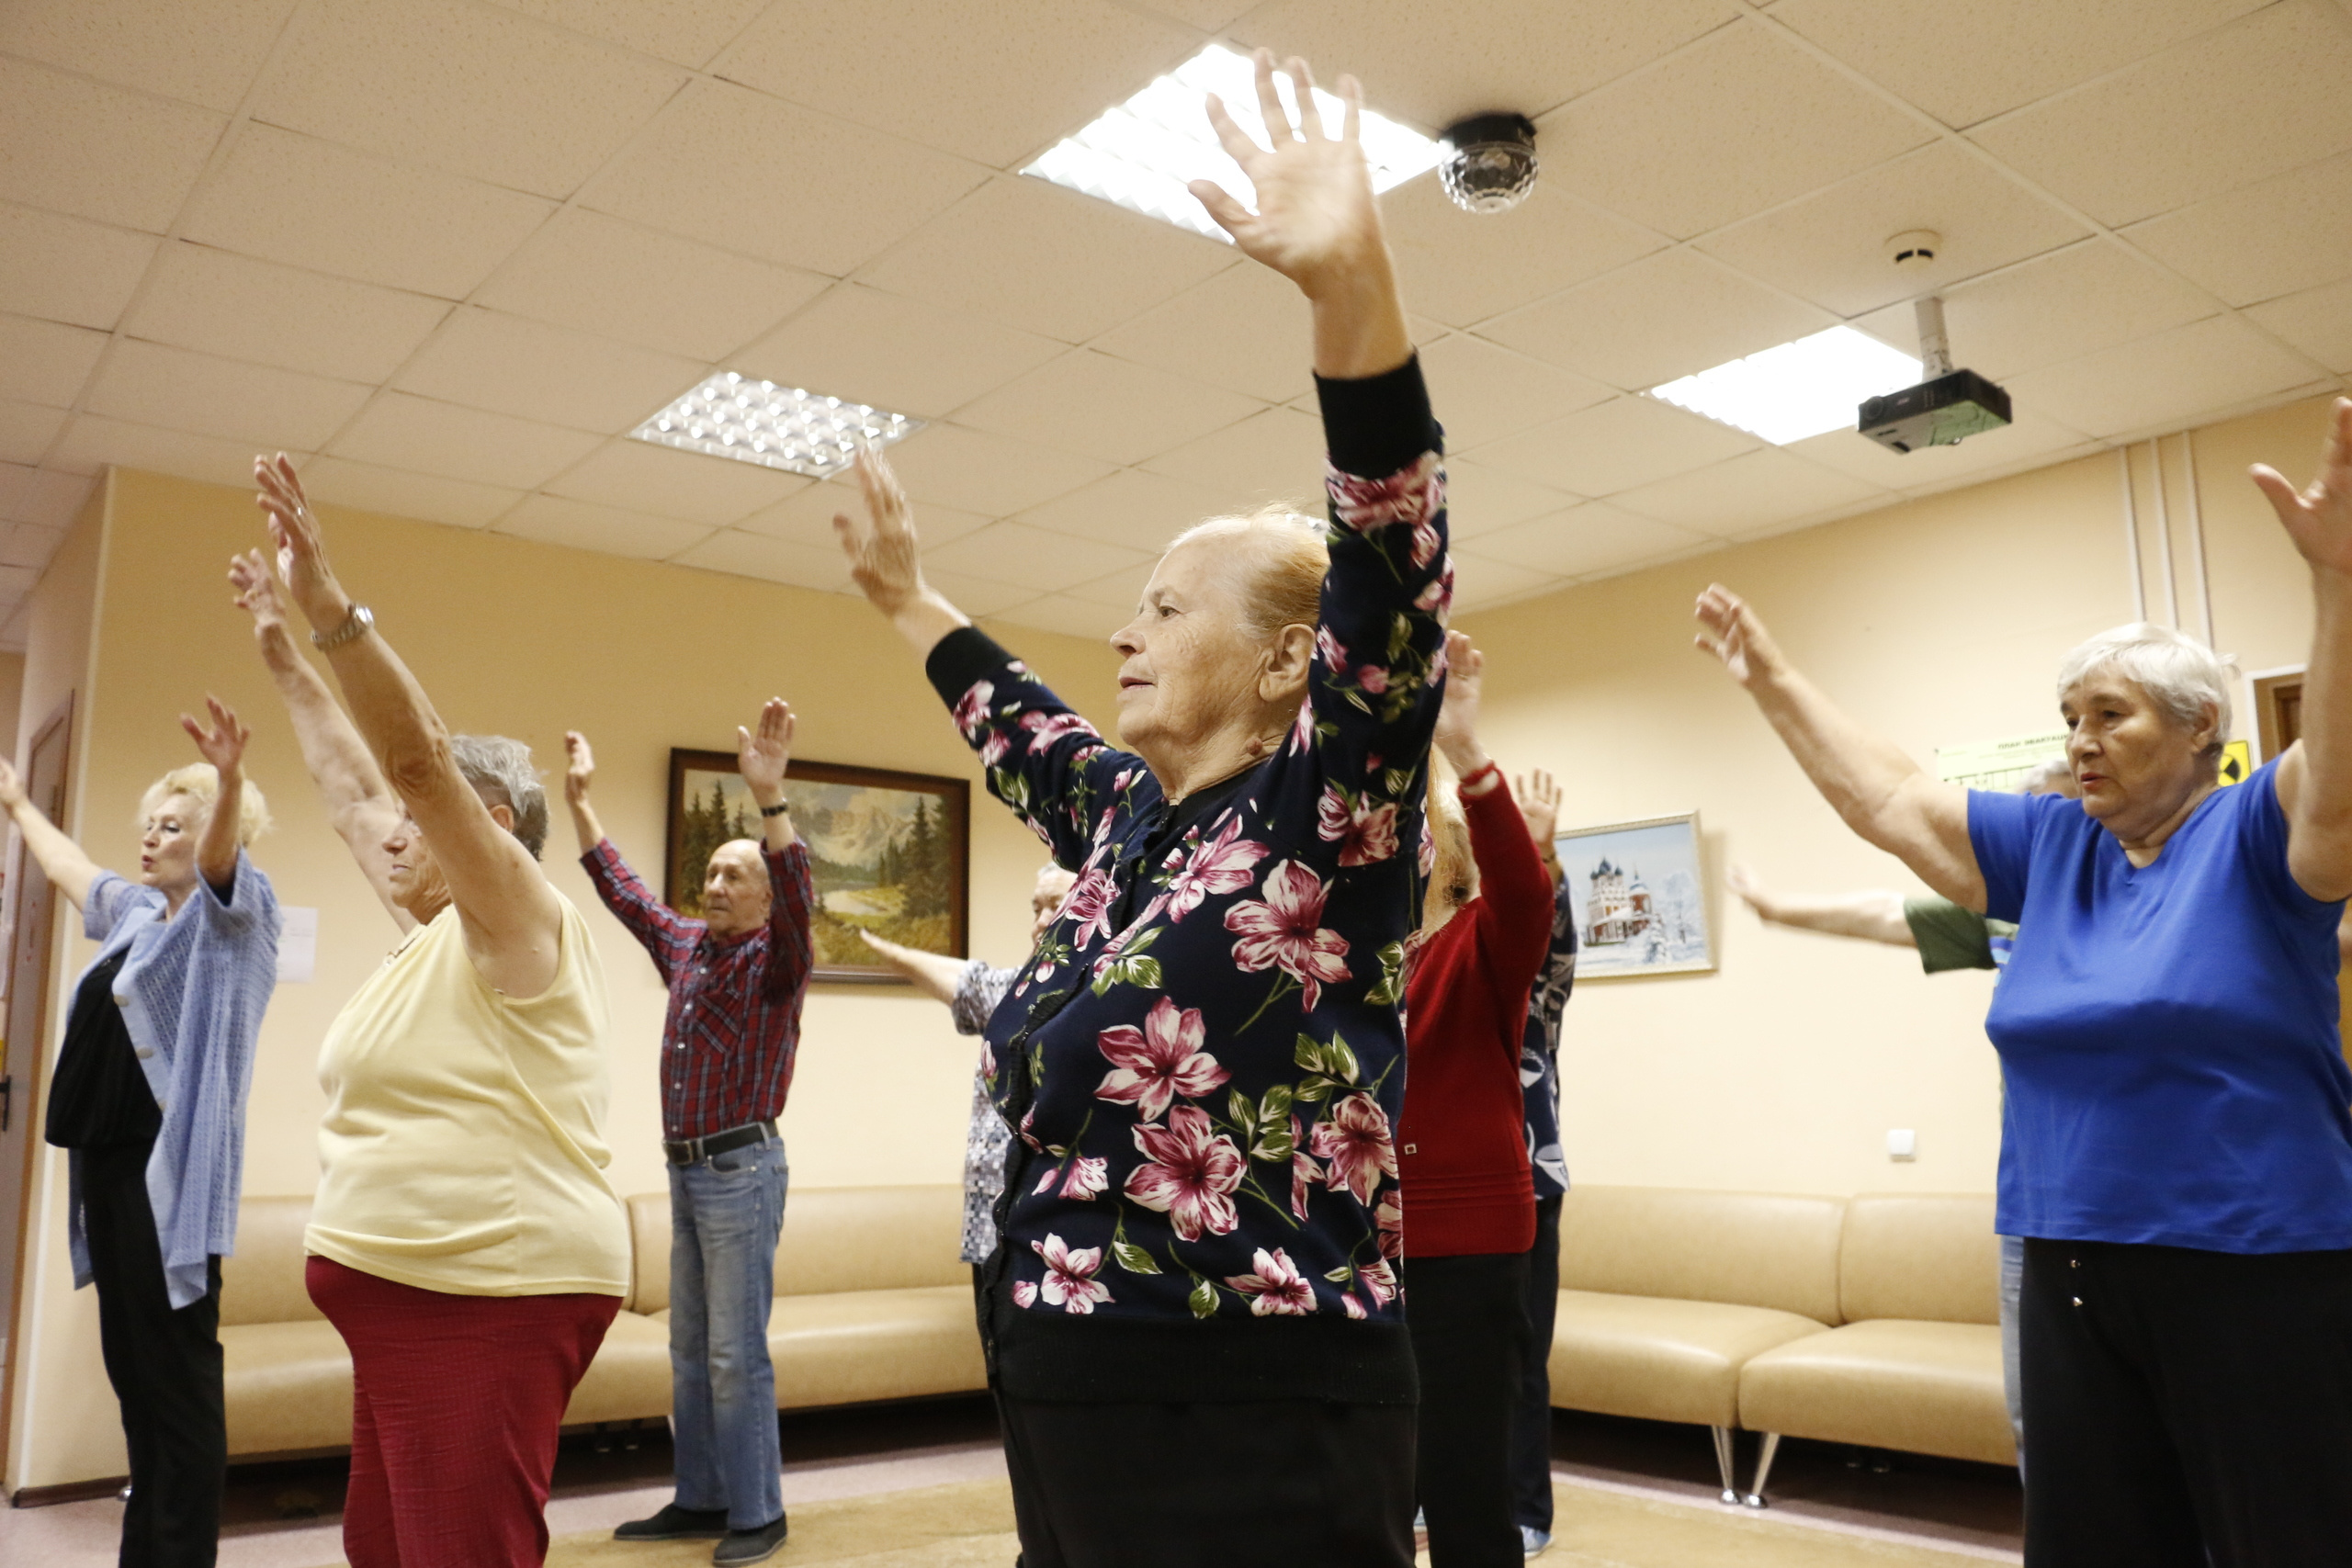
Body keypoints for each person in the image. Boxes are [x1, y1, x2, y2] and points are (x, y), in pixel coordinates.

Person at [830, 51, 1447, 1568]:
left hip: (1257, 1398)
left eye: (1168, 608)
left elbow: (1392, 566)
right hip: (1070, 1373)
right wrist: (908, 598)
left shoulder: (1329, 813)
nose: (1126, 631)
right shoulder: (1130, 825)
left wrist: (1351, 297)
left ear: (1289, 658)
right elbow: (1018, 722)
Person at [1691, 397, 2352, 1568]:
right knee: (2094, 1537)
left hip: (2256, 1262)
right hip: (2066, 1258)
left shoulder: (2256, 832)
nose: (2079, 740)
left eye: (2111, 715)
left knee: (2281, 1535)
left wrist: (2335, 585)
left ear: (2200, 728)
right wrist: (1773, 679)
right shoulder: (2053, 848)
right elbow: (1891, 800)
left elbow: (2338, 778)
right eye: (2069, 718)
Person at [233, 457, 629, 1568]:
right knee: (382, 1548)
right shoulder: (434, 939)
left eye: (422, 818)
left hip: (487, 1291)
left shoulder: (519, 920)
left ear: (487, 826)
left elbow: (409, 766)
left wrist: (330, 612)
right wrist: (279, 651)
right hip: (414, 1297)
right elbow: (354, 787)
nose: (390, 831)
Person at [1728, 758, 2073, 1483]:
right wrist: (1778, 907)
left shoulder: (2152, 899)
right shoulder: (2008, 915)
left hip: (2147, 1204)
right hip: (2035, 1203)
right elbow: (1890, 914)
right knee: (2040, 1416)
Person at [14, 705, 279, 1568]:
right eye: (151, 823)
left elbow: (221, 863)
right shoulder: (137, 915)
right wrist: (17, 804)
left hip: (169, 1179)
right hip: (108, 1172)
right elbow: (74, 870)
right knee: (136, 1380)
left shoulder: (236, 918)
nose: (152, 837)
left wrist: (228, 780)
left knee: (178, 1388)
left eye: (172, 825)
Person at [562, 716, 813, 1566]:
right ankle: (702, 1496)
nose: (714, 883)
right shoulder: (687, 947)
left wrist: (769, 796)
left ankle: (759, 1511)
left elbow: (801, 894)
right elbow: (626, 893)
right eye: (709, 871)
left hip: (743, 1171)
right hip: (687, 1175)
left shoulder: (776, 962)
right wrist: (581, 802)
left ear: (765, 897)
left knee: (736, 1353)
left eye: (734, 874)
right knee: (691, 1348)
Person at [1399, 633, 1555, 1567]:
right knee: (1369, 1486)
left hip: (1464, 1249)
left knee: (1465, 1492)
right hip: (1356, 1244)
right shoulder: (1336, 955)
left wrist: (1462, 746)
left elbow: (1526, 898)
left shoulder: (1477, 942)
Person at [858, 863, 1078, 1269]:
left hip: (1052, 1232)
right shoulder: (1016, 993)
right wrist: (885, 949)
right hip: (990, 1223)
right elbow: (966, 981)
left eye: (1056, 906)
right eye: (1036, 909)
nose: (1041, 923)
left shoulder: (1104, 1000)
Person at [1508, 769, 1576, 1558]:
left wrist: (1542, 857)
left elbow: (1553, 947)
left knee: (1522, 1356)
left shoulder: (1529, 987)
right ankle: (1427, 1492)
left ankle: (1527, 1508)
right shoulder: (1420, 963)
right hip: (1425, 1185)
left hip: (1528, 1178)